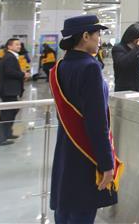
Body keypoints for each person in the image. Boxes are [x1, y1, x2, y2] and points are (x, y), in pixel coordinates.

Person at [49, 15, 121, 224]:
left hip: (66, 148)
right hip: (86, 153)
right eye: (98, 34)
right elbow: (97, 122)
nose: (100, 39)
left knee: (66, 207)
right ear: (86, 36)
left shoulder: (60, 67)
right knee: (82, 211)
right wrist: (107, 164)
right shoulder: (90, 68)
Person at [0, 38, 28, 146]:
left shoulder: (12, 56)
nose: (19, 46)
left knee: (12, 111)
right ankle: (0, 139)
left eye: (20, 45)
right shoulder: (9, 57)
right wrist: (23, 74)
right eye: (16, 44)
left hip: (10, 90)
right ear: (9, 46)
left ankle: (7, 133)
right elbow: (9, 72)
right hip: (8, 90)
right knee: (7, 114)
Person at [111, 22, 139, 92]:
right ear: (133, 36)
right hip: (124, 90)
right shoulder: (118, 48)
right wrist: (138, 47)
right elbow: (124, 63)